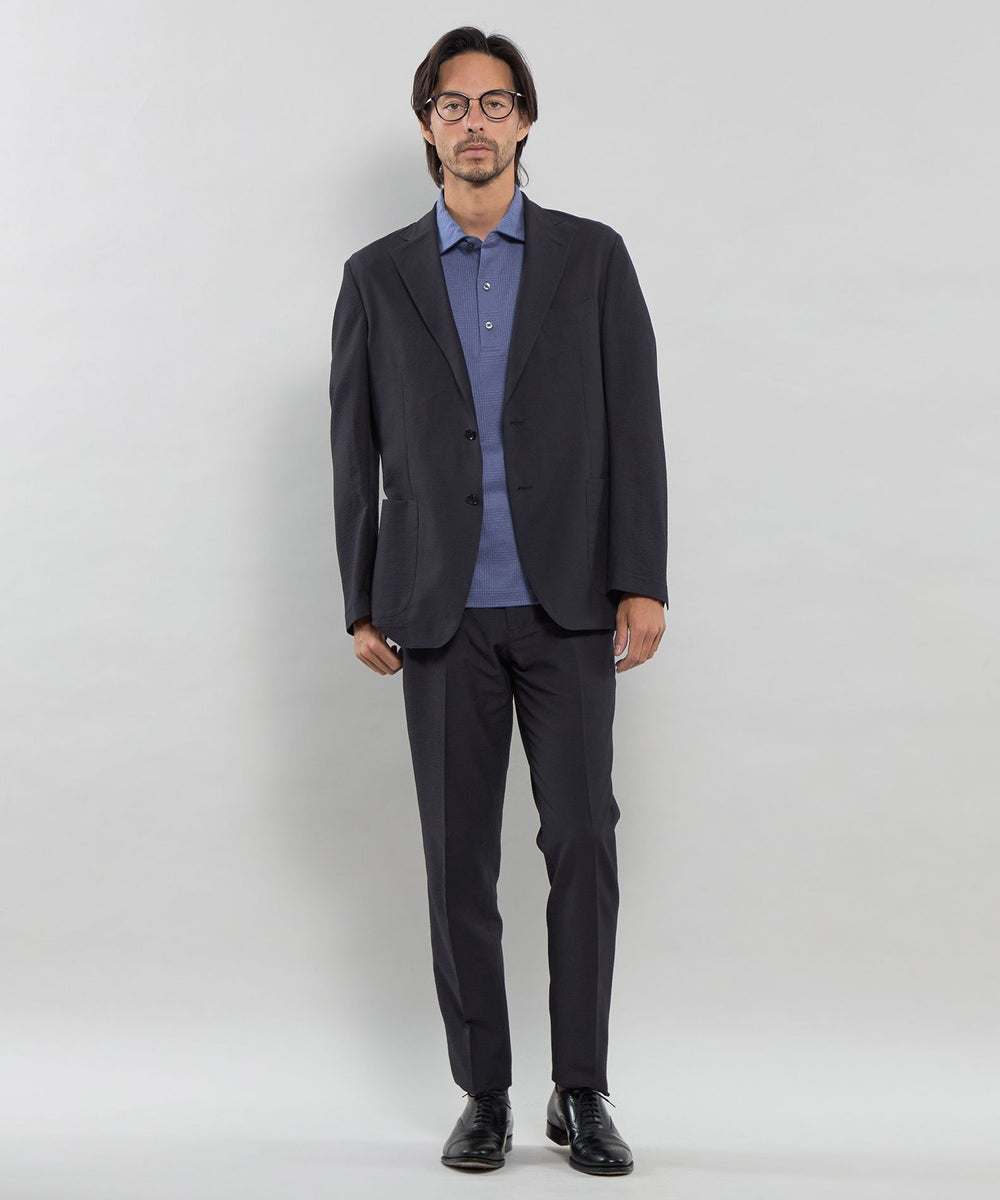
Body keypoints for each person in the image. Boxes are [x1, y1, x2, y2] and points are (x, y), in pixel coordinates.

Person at [329, 26, 667, 1176]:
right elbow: (353, 449)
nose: (473, 123)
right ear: (426, 126)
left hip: (568, 607)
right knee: (456, 860)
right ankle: (484, 1092)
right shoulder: (375, 277)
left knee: (582, 841)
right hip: (437, 613)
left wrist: (641, 578)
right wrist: (360, 596)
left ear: (524, 120)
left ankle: (582, 1089)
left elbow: (635, 426)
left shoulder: (593, 260)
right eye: (452, 104)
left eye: (493, 103)